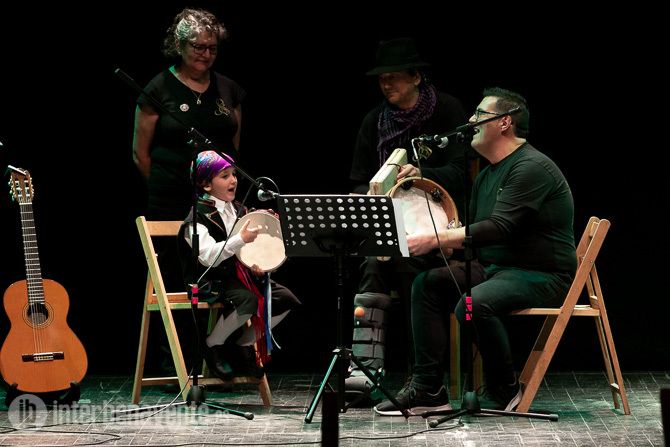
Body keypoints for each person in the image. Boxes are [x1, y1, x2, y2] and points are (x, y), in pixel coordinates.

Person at [373, 87, 577, 416]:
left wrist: (435, 238)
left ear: (505, 122)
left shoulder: (531, 167)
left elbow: (499, 227)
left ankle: (505, 388)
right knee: (427, 284)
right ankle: (428, 388)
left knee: (471, 305)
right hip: (496, 268)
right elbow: (475, 232)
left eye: (480, 114)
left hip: (541, 274)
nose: (471, 120)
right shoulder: (488, 174)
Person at [345, 37, 470, 403]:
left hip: (438, 225)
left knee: (408, 266)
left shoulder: (446, 110)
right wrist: (371, 195)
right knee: (372, 262)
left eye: (394, 77)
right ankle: (365, 370)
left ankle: (423, 377)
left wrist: (422, 173)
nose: (386, 85)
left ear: (416, 77)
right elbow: (358, 179)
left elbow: (462, 172)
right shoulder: (375, 120)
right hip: (390, 222)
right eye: (382, 79)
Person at [131, 8, 246, 375]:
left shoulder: (228, 89)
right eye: (198, 47)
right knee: (177, 277)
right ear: (179, 46)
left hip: (217, 200)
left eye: (212, 48)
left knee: (226, 270)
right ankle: (179, 358)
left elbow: (233, 146)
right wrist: (173, 189)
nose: (205, 55)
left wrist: (218, 189)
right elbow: (141, 153)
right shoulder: (158, 89)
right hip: (171, 198)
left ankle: (220, 348)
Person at [178, 150, 300, 380]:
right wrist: (240, 239)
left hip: (239, 276)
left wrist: (258, 262)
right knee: (248, 299)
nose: (233, 180)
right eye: (225, 176)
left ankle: (243, 345)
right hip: (210, 279)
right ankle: (212, 345)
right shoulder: (197, 217)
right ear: (206, 184)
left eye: (234, 174)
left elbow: (250, 251)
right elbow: (208, 257)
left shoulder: (241, 210)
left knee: (285, 300)